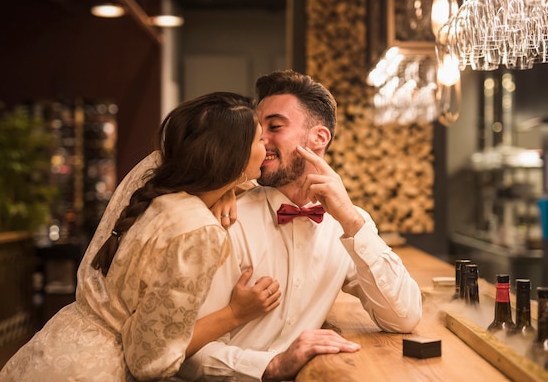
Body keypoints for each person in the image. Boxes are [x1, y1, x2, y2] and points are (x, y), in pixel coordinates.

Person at [0, 92, 281, 382]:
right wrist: (235, 313)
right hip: (98, 370)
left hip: (54, 346)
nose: (267, 144)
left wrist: (229, 187)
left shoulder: (152, 173)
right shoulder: (199, 232)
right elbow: (149, 360)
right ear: (231, 156)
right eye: (259, 139)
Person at [176, 70, 423, 382]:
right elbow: (181, 351)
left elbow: (404, 317)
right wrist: (273, 365)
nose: (260, 138)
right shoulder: (226, 219)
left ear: (319, 137)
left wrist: (350, 219)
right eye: (257, 127)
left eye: (274, 126)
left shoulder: (346, 225)